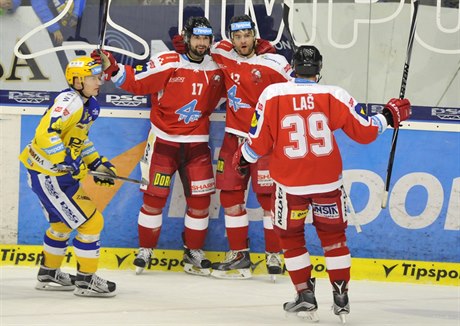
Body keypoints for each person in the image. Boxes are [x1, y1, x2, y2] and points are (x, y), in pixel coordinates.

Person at [232, 45, 411, 322]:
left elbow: (258, 143)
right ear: (319, 68)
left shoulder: (273, 94)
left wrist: (243, 157)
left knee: (291, 239)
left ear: (293, 67)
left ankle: (304, 295)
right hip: (328, 183)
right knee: (334, 240)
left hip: (290, 186)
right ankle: (341, 297)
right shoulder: (333, 94)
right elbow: (365, 132)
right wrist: (388, 116)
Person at [92, 16, 226, 276]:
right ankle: (146, 249)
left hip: (197, 146)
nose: (202, 43)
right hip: (164, 143)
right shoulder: (168, 62)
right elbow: (136, 82)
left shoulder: (218, 67)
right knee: (154, 199)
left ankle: (193, 252)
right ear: (187, 38)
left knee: (200, 202)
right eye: (197, 37)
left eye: (206, 38)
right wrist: (113, 67)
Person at [174, 15, 292, 279]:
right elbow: (196, 47)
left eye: (247, 36)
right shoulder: (222, 53)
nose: (242, 42)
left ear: (254, 35)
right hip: (232, 138)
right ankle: (239, 255)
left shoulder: (275, 63)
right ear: (231, 37)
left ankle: (273, 253)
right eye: (237, 37)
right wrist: (181, 41)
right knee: (229, 197)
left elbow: (298, 88)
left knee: (268, 200)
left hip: (265, 141)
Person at [19, 56, 118, 297]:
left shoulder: (89, 104)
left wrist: (96, 162)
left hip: (51, 175)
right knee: (92, 222)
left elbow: (79, 141)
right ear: (76, 81)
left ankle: (48, 274)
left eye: (99, 76)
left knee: (61, 224)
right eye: (93, 78)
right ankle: (85, 281)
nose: (100, 81)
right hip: (49, 175)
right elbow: (45, 134)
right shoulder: (69, 102)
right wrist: (64, 160)